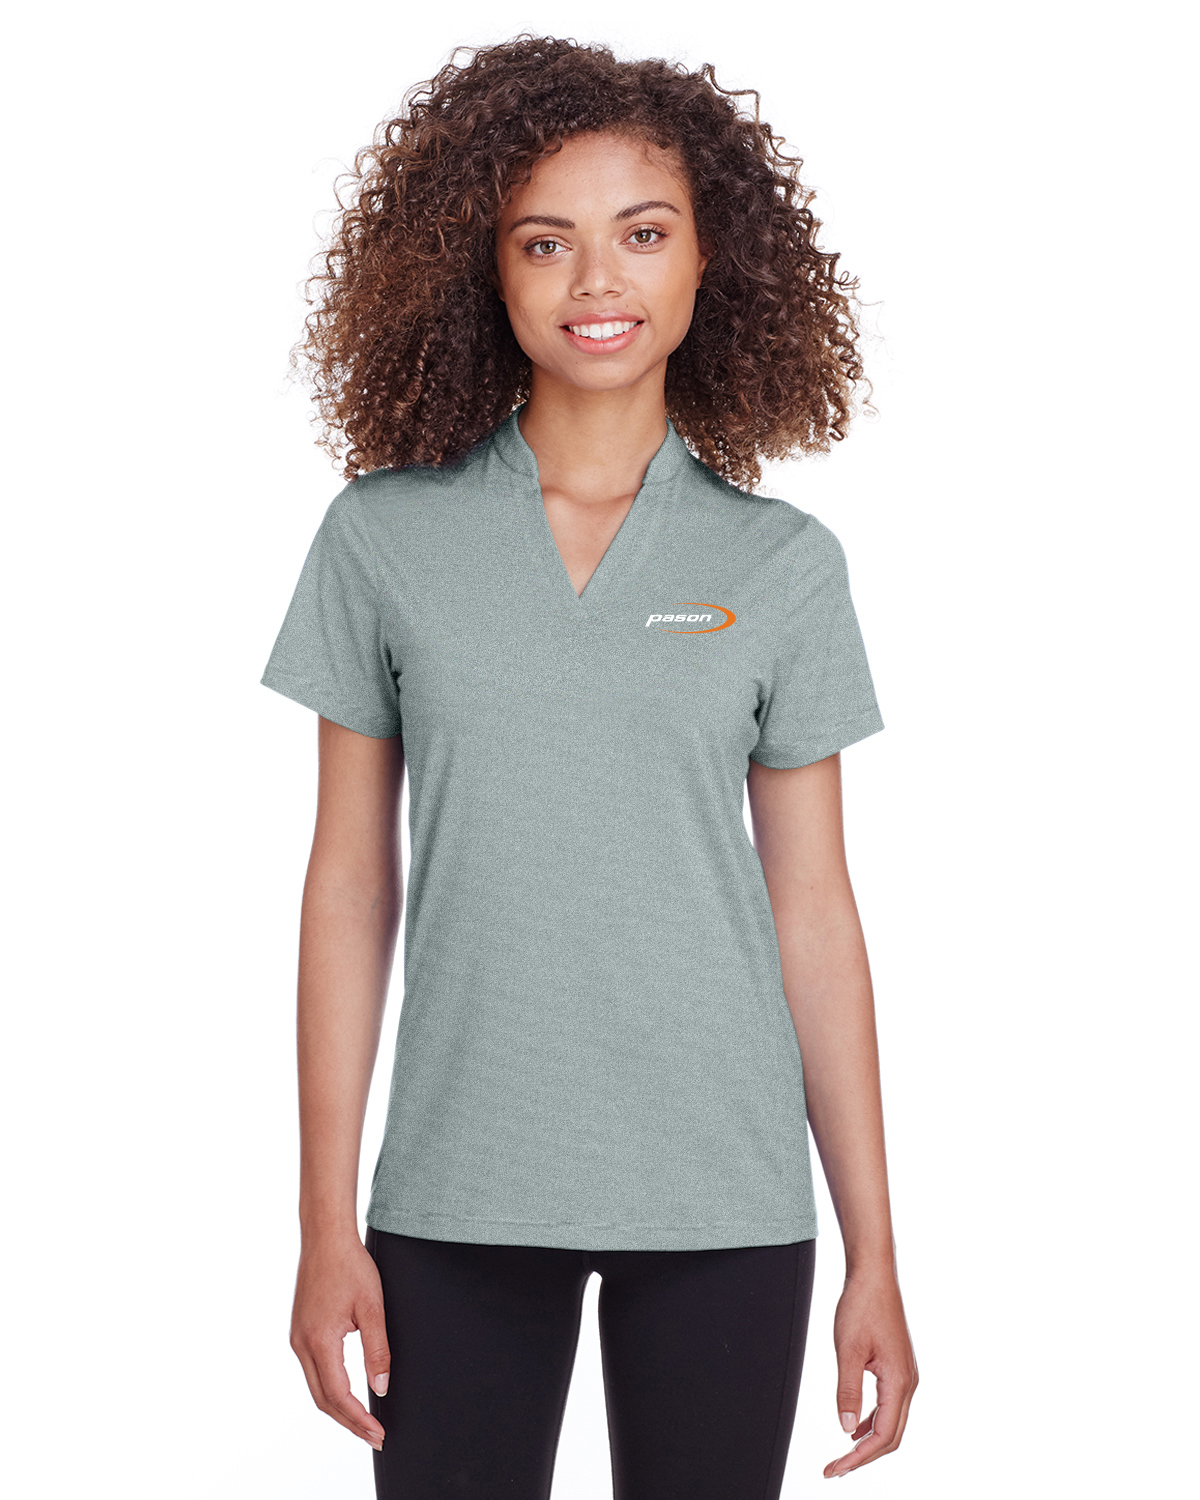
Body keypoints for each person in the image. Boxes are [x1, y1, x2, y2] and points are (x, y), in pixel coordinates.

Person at [261, 34, 918, 1499]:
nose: (596, 280)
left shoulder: (782, 566)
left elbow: (813, 908)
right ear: (486, 270)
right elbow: (348, 885)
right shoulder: (383, 540)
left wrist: (875, 1249)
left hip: (725, 1193)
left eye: (644, 234)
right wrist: (322, 1223)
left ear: (709, 260)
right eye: (545, 241)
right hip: (456, 1186)